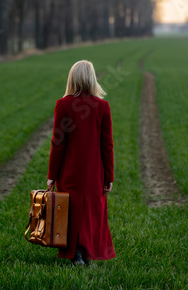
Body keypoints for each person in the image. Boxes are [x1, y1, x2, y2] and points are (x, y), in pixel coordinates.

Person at [47, 60, 115, 266]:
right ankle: (86, 252)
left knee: (71, 209)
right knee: (91, 211)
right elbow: (107, 145)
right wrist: (109, 177)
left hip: (69, 170)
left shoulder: (63, 104)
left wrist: (52, 174)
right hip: (95, 172)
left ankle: (74, 252)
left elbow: (58, 143)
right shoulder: (102, 106)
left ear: (72, 79)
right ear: (92, 79)